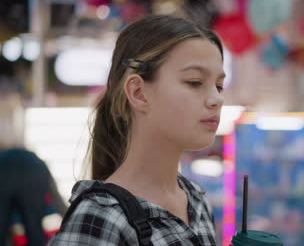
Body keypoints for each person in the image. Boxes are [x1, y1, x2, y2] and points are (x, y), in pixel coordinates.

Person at [49, 14, 225, 245]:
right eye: (194, 82)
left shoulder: (196, 199)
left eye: (219, 86)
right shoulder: (101, 216)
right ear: (138, 93)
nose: (216, 99)